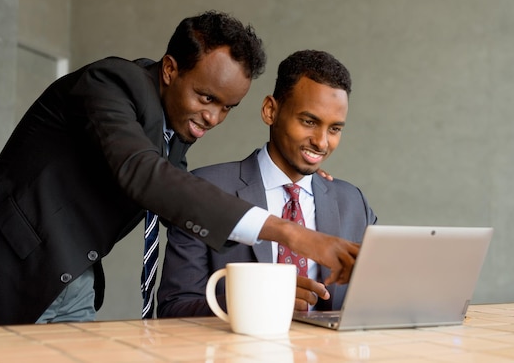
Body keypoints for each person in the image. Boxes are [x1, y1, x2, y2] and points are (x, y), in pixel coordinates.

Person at [0, 12, 359, 326]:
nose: (213, 117)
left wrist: (300, 185)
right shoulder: (109, 85)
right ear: (171, 69)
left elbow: (176, 195)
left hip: (72, 280)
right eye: (206, 97)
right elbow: (143, 174)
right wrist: (289, 232)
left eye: (227, 107)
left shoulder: (172, 136)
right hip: (2, 267)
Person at [157, 50, 377, 318]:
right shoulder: (205, 190)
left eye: (335, 129)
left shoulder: (352, 202)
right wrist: (257, 299)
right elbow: (174, 308)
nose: (321, 142)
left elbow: (382, 298)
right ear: (270, 110)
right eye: (309, 122)